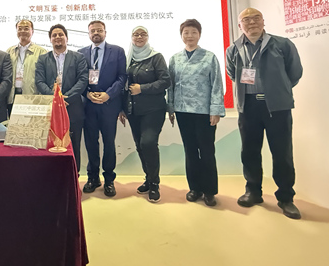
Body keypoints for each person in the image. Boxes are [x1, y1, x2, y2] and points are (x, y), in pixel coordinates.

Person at [226, 7, 303, 219]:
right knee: (249, 151)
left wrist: (277, 90)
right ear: (239, 25)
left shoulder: (282, 44)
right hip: (248, 106)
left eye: (256, 18)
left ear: (263, 21)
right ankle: (253, 191)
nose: (251, 23)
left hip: (277, 106)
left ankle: (286, 198)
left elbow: (295, 73)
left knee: (282, 153)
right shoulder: (233, 49)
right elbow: (232, 74)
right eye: (246, 20)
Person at [168, 19, 225, 206]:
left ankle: (209, 191)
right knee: (190, 150)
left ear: (199, 34)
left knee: (207, 151)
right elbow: (171, 85)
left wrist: (215, 110)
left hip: (204, 112)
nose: (189, 36)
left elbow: (217, 85)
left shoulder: (209, 57)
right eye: (186, 32)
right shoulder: (175, 59)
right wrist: (171, 107)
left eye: (193, 32)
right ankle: (194, 188)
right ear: (181, 35)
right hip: (183, 111)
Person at [118, 26, 170, 202]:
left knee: (148, 143)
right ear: (131, 37)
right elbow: (123, 86)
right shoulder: (128, 59)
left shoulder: (156, 57)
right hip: (133, 111)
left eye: (143, 34)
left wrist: (143, 88)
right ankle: (148, 179)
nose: (139, 37)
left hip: (153, 110)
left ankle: (155, 183)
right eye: (136, 34)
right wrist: (122, 108)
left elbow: (166, 81)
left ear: (147, 37)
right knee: (140, 145)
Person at [79, 21, 127, 197]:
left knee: (109, 143)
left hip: (109, 104)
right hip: (89, 105)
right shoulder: (81, 53)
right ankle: (93, 177)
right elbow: (78, 78)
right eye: (93, 31)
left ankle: (109, 179)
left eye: (99, 30)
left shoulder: (118, 51)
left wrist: (109, 94)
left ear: (105, 32)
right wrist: (87, 93)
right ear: (89, 34)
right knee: (91, 142)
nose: (96, 33)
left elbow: (122, 77)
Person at [36, 24, 89, 174]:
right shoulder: (43, 59)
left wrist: (66, 98)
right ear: (50, 39)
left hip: (73, 107)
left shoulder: (78, 57)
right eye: (54, 35)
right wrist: (56, 100)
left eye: (61, 34)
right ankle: (53, 178)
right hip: (51, 109)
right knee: (51, 145)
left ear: (67, 38)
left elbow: (83, 80)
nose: (57, 37)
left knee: (74, 145)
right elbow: (39, 81)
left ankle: (74, 177)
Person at [6, 19, 47, 114]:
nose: (23, 31)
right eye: (20, 29)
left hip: (32, 96)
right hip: (12, 95)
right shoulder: (10, 51)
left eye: (26, 28)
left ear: (32, 31)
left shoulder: (41, 52)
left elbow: (45, 77)